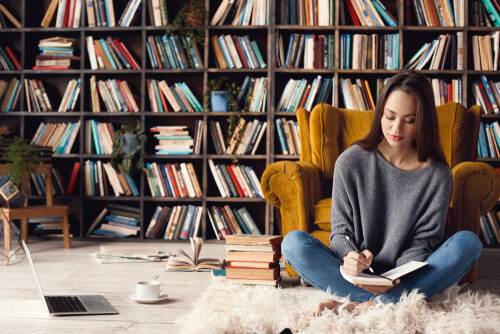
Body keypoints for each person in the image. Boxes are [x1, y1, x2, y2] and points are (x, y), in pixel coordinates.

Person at [281, 71, 483, 315]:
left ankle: (362, 306)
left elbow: (423, 241)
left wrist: (398, 276)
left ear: (423, 121)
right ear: (380, 113)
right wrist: (351, 257)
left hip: (406, 275)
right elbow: (341, 231)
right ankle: (405, 301)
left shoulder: (438, 175)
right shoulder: (350, 161)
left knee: (469, 243)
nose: (396, 128)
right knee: (293, 243)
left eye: (409, 120)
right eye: (390, 116)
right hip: (354, 275)